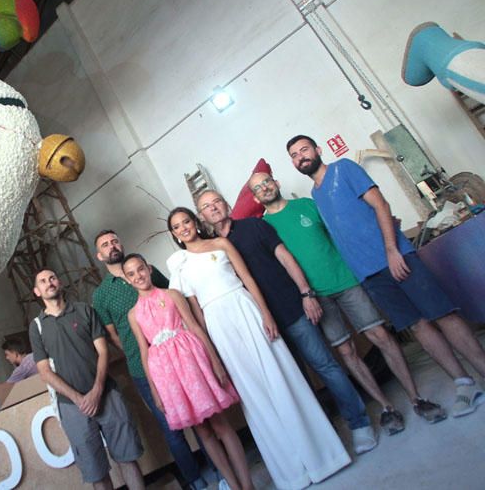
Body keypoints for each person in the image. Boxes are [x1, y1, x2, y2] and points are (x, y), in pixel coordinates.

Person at [287, 135, 485, 417]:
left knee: (443, 314)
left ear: (318, 150)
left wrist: (392, 250)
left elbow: (380, 205)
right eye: (294, 155)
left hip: (396, 258)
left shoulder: (344, 169)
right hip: (370, 276)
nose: (301, 157)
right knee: (417, 327)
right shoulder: (316, 196)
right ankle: (464, 383)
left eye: (304, 150)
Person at [166, 207, 350, 490]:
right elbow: (196, 315)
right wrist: (212, 351)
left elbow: (248, 279)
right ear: (175, 235)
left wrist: (265, 313)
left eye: (186, 221)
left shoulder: (221, 244)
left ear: (195, 222)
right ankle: (293, 473)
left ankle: (323, 458)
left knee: (281, 376)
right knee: (254, 393)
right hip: (219, 326)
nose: (184, 228)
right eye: (177, 227)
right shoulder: (179, 269)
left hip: (245, 308)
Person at [250, 171, 436, 433]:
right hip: (316, 297)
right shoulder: (263, 227)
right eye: (258, 188)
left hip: (346, 280)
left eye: (267, 182)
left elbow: (341, 232)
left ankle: (416, 398)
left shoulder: (306, 205)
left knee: (380, 335)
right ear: (256, 197)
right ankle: (386, 408)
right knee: (346, 351)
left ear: (277, 183)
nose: (265, 188)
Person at [195, 190, 378, 454]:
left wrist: (306, 293)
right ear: (202, 216)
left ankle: (359, 423)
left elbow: (285, 257)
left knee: (325, 365)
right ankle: (324, 440)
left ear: (225, 204)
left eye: (216, 202)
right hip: (258, 327)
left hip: (291, 309)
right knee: (296, 383)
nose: (213, 208)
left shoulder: (255, 226)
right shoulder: (210, 251)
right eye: (206, 206)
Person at [92, 230, 215, 490]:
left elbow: (175, 299)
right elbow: (113, 335)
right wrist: (140, 354)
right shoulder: (101, 295)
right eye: (105, 245)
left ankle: (218, 467)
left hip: (180, 356)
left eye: (115, 240)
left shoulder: (147, 270)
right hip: (143, 367)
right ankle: (194, 480)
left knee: (201, 416)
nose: (112, 246)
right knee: (171, 427)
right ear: (99, 255)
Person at [122, 253, 252, 490]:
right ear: (127, 280)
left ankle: (247, 483)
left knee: (220, 424)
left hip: (191, 362)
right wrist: (155, 390)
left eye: (140, 269)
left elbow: (194, 326)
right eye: (131, 274)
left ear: (148, 269)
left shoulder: (171, 295)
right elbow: (144, 352)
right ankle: (234, 485)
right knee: (203, 432)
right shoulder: (133, 314)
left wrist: (215, 361)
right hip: (168, 376)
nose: (138, 276)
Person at [29, 268, 145, 490]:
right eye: (42, 281)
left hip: (107, 395)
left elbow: (103, 352)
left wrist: (96, 391)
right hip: (72, 407)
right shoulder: (37, 327)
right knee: (96, 472)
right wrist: (78, 398)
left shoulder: (84, 311)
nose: (49, 283)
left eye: (52, 278)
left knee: (127, 459)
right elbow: (44, 371)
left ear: (59, 282)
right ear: (37, 291)